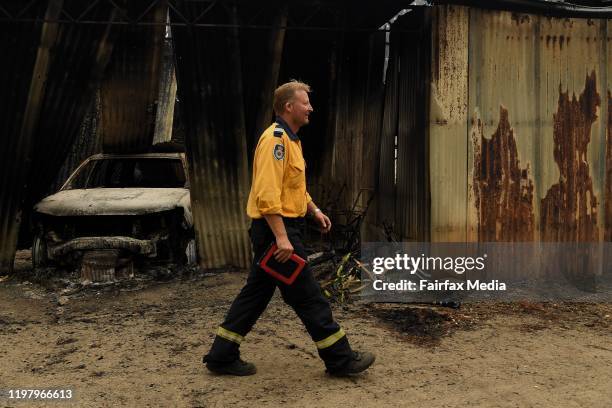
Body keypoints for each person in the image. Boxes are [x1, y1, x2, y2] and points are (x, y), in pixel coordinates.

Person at [202, 80, 375, 377]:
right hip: (276, 233)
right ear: (288, 107)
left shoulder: (292, 141)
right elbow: (267, 195)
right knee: (308, 296)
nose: (311, 108)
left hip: (283, 229)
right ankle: (340, 359)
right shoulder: (276, 141)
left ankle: (221, 355)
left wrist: (314, 210)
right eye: (305, 102)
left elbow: (292, 189)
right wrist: (283, 238)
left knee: (255, 295)